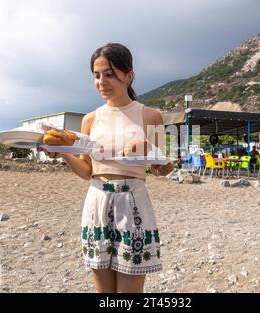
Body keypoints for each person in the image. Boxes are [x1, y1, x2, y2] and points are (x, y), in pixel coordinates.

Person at [40, 43, 174, 293]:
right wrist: (63, 154)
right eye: (97, 75)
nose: (102, 81)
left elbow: (158, 167)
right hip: (97, 201)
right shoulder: (90, 119)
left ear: (129, 75)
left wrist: (163, 167)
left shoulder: (150, 116)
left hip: (133, 203)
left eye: (110, 74)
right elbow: (86, 171)